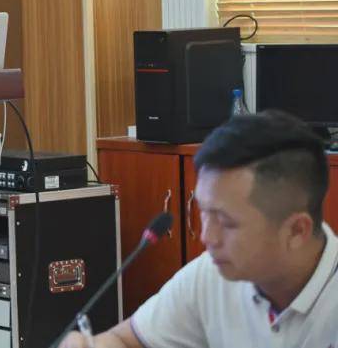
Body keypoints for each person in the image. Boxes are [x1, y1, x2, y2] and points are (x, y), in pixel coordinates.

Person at [60, 110, 338, 347]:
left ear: (296, 231)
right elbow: (124, 340)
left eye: (227, 222)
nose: (207, 237)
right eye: (204, 213)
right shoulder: (212, 273)